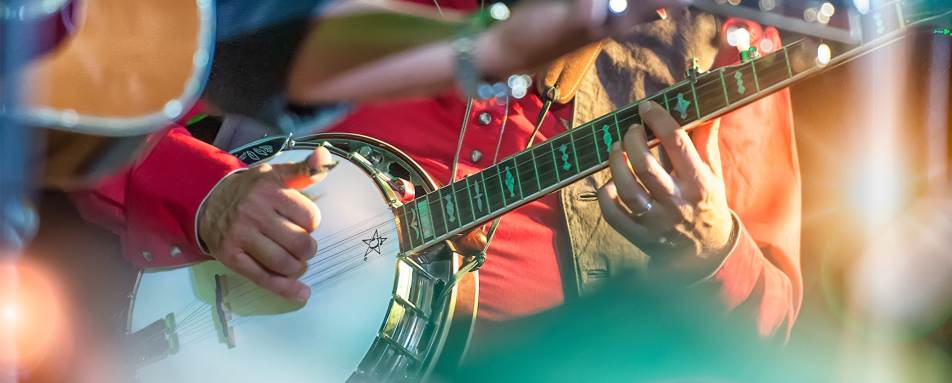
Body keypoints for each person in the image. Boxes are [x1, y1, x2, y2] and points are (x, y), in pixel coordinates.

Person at [76, 0, 799, 358]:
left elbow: (774, 319)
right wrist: (208, 194)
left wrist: (710, 250)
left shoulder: (725, 48)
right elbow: (79, 107)